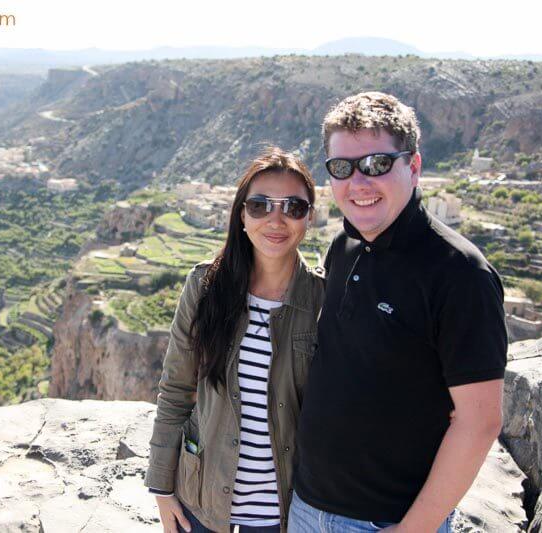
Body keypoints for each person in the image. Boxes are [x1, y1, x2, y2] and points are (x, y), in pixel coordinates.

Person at [289, 92, 507, 533]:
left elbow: (480, 421)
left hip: (383, 522)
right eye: (342, 168)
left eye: (376, 164)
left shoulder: (459, 273)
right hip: (305, 507)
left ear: (415, 166)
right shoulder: (344, 246)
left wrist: (414, 529)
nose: (358, 182)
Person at [145, 146, 326, 533]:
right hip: (201, 506)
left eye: (292, 207)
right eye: (260, 205)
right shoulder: (205, 286)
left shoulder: (323, 301)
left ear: (309, 217)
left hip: (285, 517)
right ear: (242, 214)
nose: (275, 219)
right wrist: (162, 488)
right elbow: (176, 389)